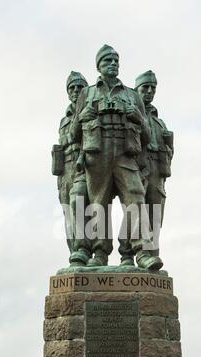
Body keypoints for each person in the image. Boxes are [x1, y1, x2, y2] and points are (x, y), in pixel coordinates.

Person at [70, 45, 163, 270]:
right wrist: (81, 117)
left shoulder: (132, 95)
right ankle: (99, 252)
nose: (112, 64)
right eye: (107, 61)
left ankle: (141, 251)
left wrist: (139, 118)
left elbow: (148, 136)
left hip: (124, 155)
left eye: (115, 61)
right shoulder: (87, 93)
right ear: (98, 66)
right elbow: (74, 135)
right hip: (97, 155)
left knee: (136, 197)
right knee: (97, 204)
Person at [119, 70, 174, 266]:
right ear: (137, 90)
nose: (150, 91)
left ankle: (151, 254)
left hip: (158, 173)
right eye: (145, 87)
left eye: (153, 88)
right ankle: (126, 254)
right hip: (138, 168)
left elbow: (169, 150)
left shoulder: (160, 122)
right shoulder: (131, 113)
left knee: (155, 216)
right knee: (134, 211)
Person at [55, 71, 91, 266]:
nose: (76, 91)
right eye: (72, 88)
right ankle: (75, 254)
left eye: (79, 87)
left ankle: (84, 249)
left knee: (84, 207)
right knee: (69, 213)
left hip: (84, 165)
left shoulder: (89, 111)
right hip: (65, 171)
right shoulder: (64, 119)